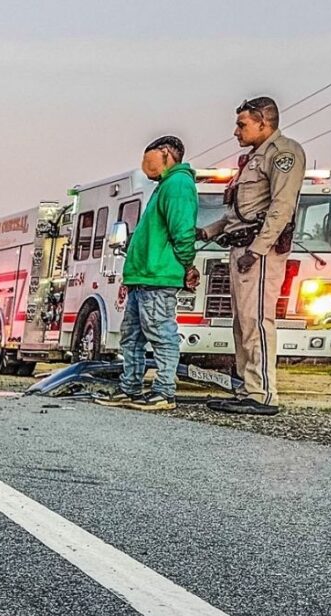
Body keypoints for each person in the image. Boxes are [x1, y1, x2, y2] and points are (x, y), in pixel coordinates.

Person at [199, 97, 306, 416]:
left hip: (259, 250)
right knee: (242, 322)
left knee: (257, 321)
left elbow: (281, 207)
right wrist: (207, 232)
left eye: (242, 124)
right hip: (240, 246)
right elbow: (241, 212)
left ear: (264, 122)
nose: (236, 131)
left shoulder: (283, 153)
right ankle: (248, 389)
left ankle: (263, 394)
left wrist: (257, 250)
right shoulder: (252, 159)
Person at [96, 136, 198, 411]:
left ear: (165, 153)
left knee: (161, 334)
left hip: (157, 276)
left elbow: (183, 232)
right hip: (142, 277)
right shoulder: (165, 185)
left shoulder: (178, 184)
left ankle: (164, 392)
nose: (143, 164)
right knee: (132, 336)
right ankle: (130, 387)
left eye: (147, 157)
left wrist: (186, 265)